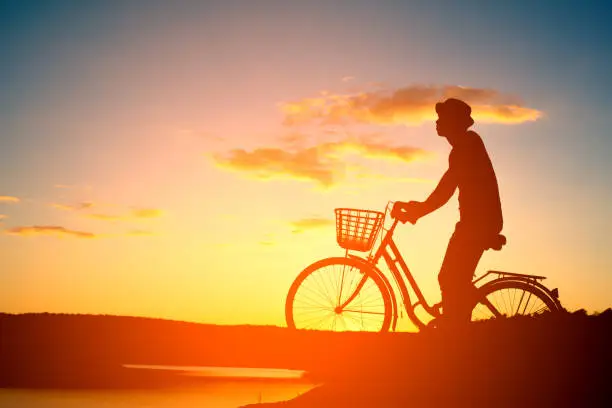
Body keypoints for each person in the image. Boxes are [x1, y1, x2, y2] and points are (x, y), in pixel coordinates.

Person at [392, 98, 505, 329]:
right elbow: (447, 184)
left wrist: (418, 210)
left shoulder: (468, 144)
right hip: (474, 223)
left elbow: (446, 189)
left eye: (442, 118)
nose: (437, 121)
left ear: (454, 122)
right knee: (453, 279)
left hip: (479, 224)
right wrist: (418, 208)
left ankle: (455, 333)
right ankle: (456, 328)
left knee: (450, 278)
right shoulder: (463, 146)